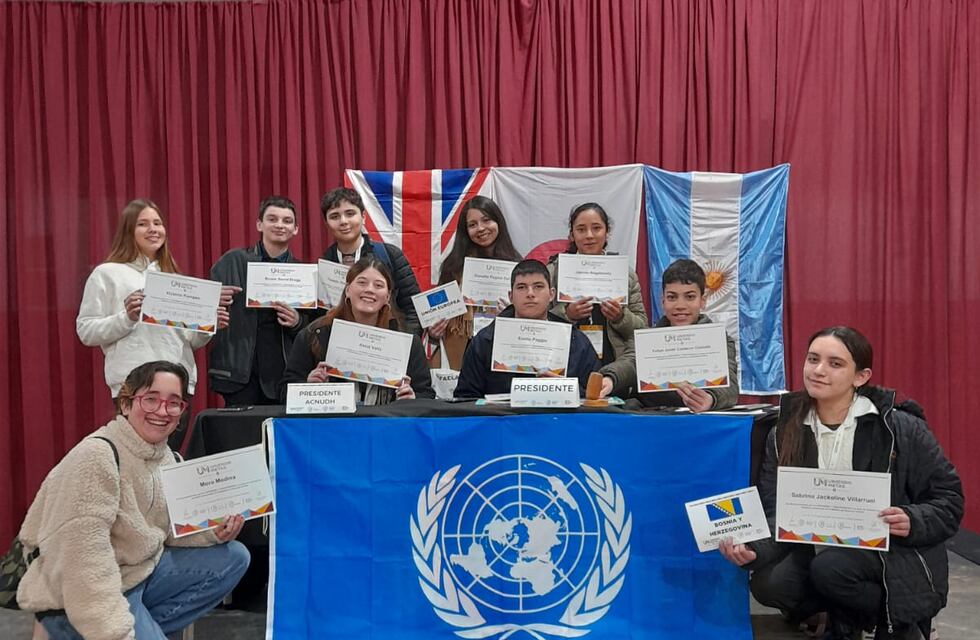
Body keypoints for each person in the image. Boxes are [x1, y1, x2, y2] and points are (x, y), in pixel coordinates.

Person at [719, 327, 963, 640]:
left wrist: (912, 519)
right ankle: (838, 614)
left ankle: (898, 623)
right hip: (814, 545)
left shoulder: (900, 426)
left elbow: (949, 500)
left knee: (832, 568)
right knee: (770, 583)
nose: (818, 370)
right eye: (813, 359)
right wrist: (754, 547)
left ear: (860, 377)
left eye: (835, 364)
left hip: (890, 553)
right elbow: (776, 509)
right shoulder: (783, 430)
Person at [16, 361, 250, 639]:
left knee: (234, 556)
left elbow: (166, 531)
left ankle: (143, 627)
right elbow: (83, 567)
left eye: (173, 403)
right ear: (126, 404)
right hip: (75, 594)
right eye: (151, 399)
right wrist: (118, 632)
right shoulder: (96, 457)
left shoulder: (167, 457)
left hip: (136, 577)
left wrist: (213, 532)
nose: (162, 411)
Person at [76, 199, 232, 405]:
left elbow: (190, 341)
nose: (153, 229)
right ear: (128, 230)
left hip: (178, 381)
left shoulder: (174, 278)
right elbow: (86, 331)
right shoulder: (107, 273)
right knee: (134, 439)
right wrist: (127, 318)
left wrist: (206, 325)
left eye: (157, 223)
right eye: (143, 224)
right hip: (133, 383)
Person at [279, 256, 434, 404]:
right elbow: (285, 393)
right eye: (362, 282)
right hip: (332, 428)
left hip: (387, 427)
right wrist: (307, 386)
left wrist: (412, 398)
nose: (370, 290)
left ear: (388, 296)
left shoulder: (407, 342)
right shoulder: (315, 334)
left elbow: (426, 395)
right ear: (347, 290)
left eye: (378, 285)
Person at [208, 195, 311, 406]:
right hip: (238, 375)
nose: (280, 225)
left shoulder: (306, 274)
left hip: (283, 377)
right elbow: (201, 314)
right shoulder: (231, 261)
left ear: (296, 229)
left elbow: (314, 331)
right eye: (272, 219)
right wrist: (212, 299)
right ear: (259, 224)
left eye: (287, 221)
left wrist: (297, 322)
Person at [454, 259, 609, 399]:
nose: (530, 294)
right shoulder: (485, 340)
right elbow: (465, 398)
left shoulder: (576, 341)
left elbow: (594, 395)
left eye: (538, 287)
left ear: (551, 294)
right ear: (511, 296)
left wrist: (567, 390)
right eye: (521, 287)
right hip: (504, 426)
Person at [547, 203, 646, 397]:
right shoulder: (554, 271)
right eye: (581, 229)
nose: (589, 235)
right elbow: (537, 322)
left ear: (607, 232)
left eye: (597, 228)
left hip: (614, 370)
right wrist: (566, 314)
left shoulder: (625, 274)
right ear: (572, 234)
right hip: (566, 368)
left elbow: (642, 330)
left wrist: (620, 317)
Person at [426, 195, 523, 370]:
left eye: (486, 220)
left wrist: (513, 312)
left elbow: (530, 315)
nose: (481, 228)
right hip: (462, 351)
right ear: (465, 231)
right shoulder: (453, 267)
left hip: (503, 349)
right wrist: (433, 331)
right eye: (472, 225)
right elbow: (436, 313)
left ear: (498, 222)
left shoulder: (517, 265)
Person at [635, 258, 738, 412]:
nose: (680, 306)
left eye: (690, 297)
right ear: (662, 302)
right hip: (655, 422)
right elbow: (628, 367)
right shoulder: (646, 341)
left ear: (702, 301)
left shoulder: (719, 341)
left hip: (699, 423)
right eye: (672, 297)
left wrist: (710, 398)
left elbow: (730, 386)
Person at [318, 187, 422, 335]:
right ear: (327, 224)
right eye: (334, 216)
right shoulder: (323, 264)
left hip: (387, 344)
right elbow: (319, 317)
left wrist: (406, 348)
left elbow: (413, 309)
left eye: (350, 214)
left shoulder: (390, 255)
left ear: (363, 217)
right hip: (342, 346)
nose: (343, 221)